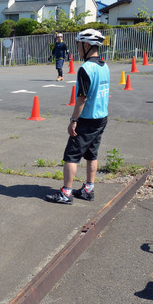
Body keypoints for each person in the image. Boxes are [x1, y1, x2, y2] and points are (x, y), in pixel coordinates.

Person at [46, 28, 109, 205]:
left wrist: (73, 121)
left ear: (86, 45)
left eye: (79, 45)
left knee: (71, 156)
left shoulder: (86, 69)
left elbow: (82, 98)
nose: (78, 49)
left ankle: (66, 193)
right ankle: (89, 188)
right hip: (101, 118)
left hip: (87, 119)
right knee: (91, 154)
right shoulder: (105, 66)